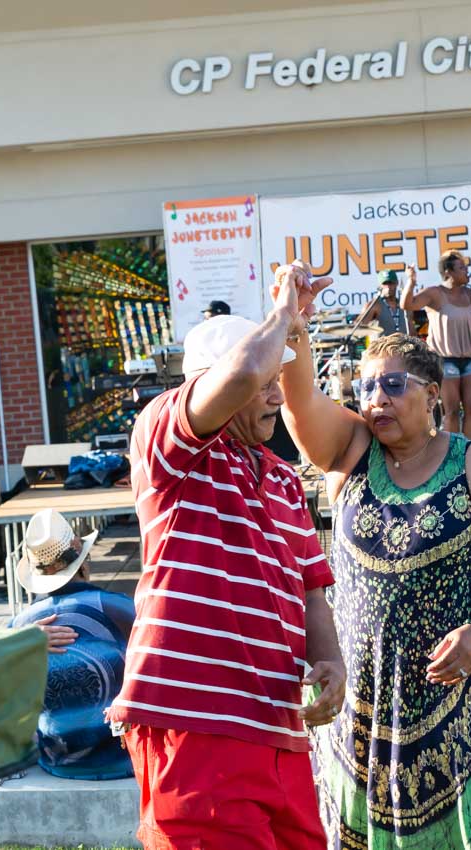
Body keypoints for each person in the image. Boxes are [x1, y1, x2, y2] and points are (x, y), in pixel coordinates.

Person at [278, 263, 471, 849]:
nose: (375, 398)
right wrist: (293, 323)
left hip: (457, 691)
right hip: (368, 697)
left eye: (393, 385)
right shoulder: (352, 453)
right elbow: (299, 403)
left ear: (433, 394)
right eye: (366, 386)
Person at [107, 291, 347, 850]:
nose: (273, 396)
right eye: (265, 385)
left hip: (277, 727)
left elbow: (311, 588)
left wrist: (330, 660)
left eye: (276, 382)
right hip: (196, 719)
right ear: (208, 386)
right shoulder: (167, 441)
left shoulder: (285, 478)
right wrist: (285, 312)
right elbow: (240, 374)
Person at [10, 508, 136, 780]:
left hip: (58, 761)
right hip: (123, 758)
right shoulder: (122, 610)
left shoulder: (20, 626)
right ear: (85, 562)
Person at [399, 251, 471, 439]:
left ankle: (469, 452)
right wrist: (411, 281)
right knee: (451, 411)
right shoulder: (436, 293)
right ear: (448, 272)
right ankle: (451, 456)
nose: (467, 271)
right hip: (446, 360)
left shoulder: (469, 294)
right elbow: (407, 304)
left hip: (470, 359)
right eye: (462, 268)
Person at [359, 270, 414, 336]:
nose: (388, 286)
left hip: (403, 344)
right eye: (385, 284)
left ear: (397, 283)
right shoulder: (374, 305)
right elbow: (359, 326)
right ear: (380, 286)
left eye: (391, 283)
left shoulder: (404, 305)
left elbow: (412, 329)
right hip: (382, 345)